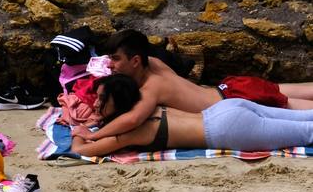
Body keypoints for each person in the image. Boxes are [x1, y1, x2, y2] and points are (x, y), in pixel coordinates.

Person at [73, 29, 313, 143]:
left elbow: (133, 120)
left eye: (115, 60)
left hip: (231, 103)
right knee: (292, 90)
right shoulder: (153, 63)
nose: (110, 66)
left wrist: (95, 133)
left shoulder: (152, 88)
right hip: (229, 89)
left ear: (135, 61)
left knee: (295, 109)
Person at [70, 74, 313, 157]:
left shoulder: (130, 131)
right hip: (225, 108)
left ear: (119, 103)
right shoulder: (145, 105)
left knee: (307, 131)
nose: (97, 103)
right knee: (306, 118)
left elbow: (80, 152)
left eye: (103, 99)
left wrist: (78, 132)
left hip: (225, 129)